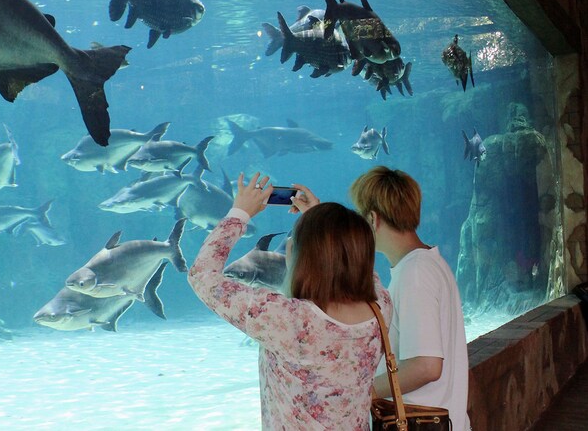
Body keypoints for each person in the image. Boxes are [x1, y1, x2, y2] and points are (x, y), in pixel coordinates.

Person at [188, 172, 392, 430]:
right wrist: (319, 219)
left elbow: (202, 275)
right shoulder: (381, 308)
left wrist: (239, 213)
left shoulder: (287, 319)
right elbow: (359, 265)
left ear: (292, 251)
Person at [338, 166, 470, 429]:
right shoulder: (427, 263)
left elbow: (427, 366)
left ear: (373, 219)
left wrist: (363, 391)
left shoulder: (415, 274)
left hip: (421, 423)